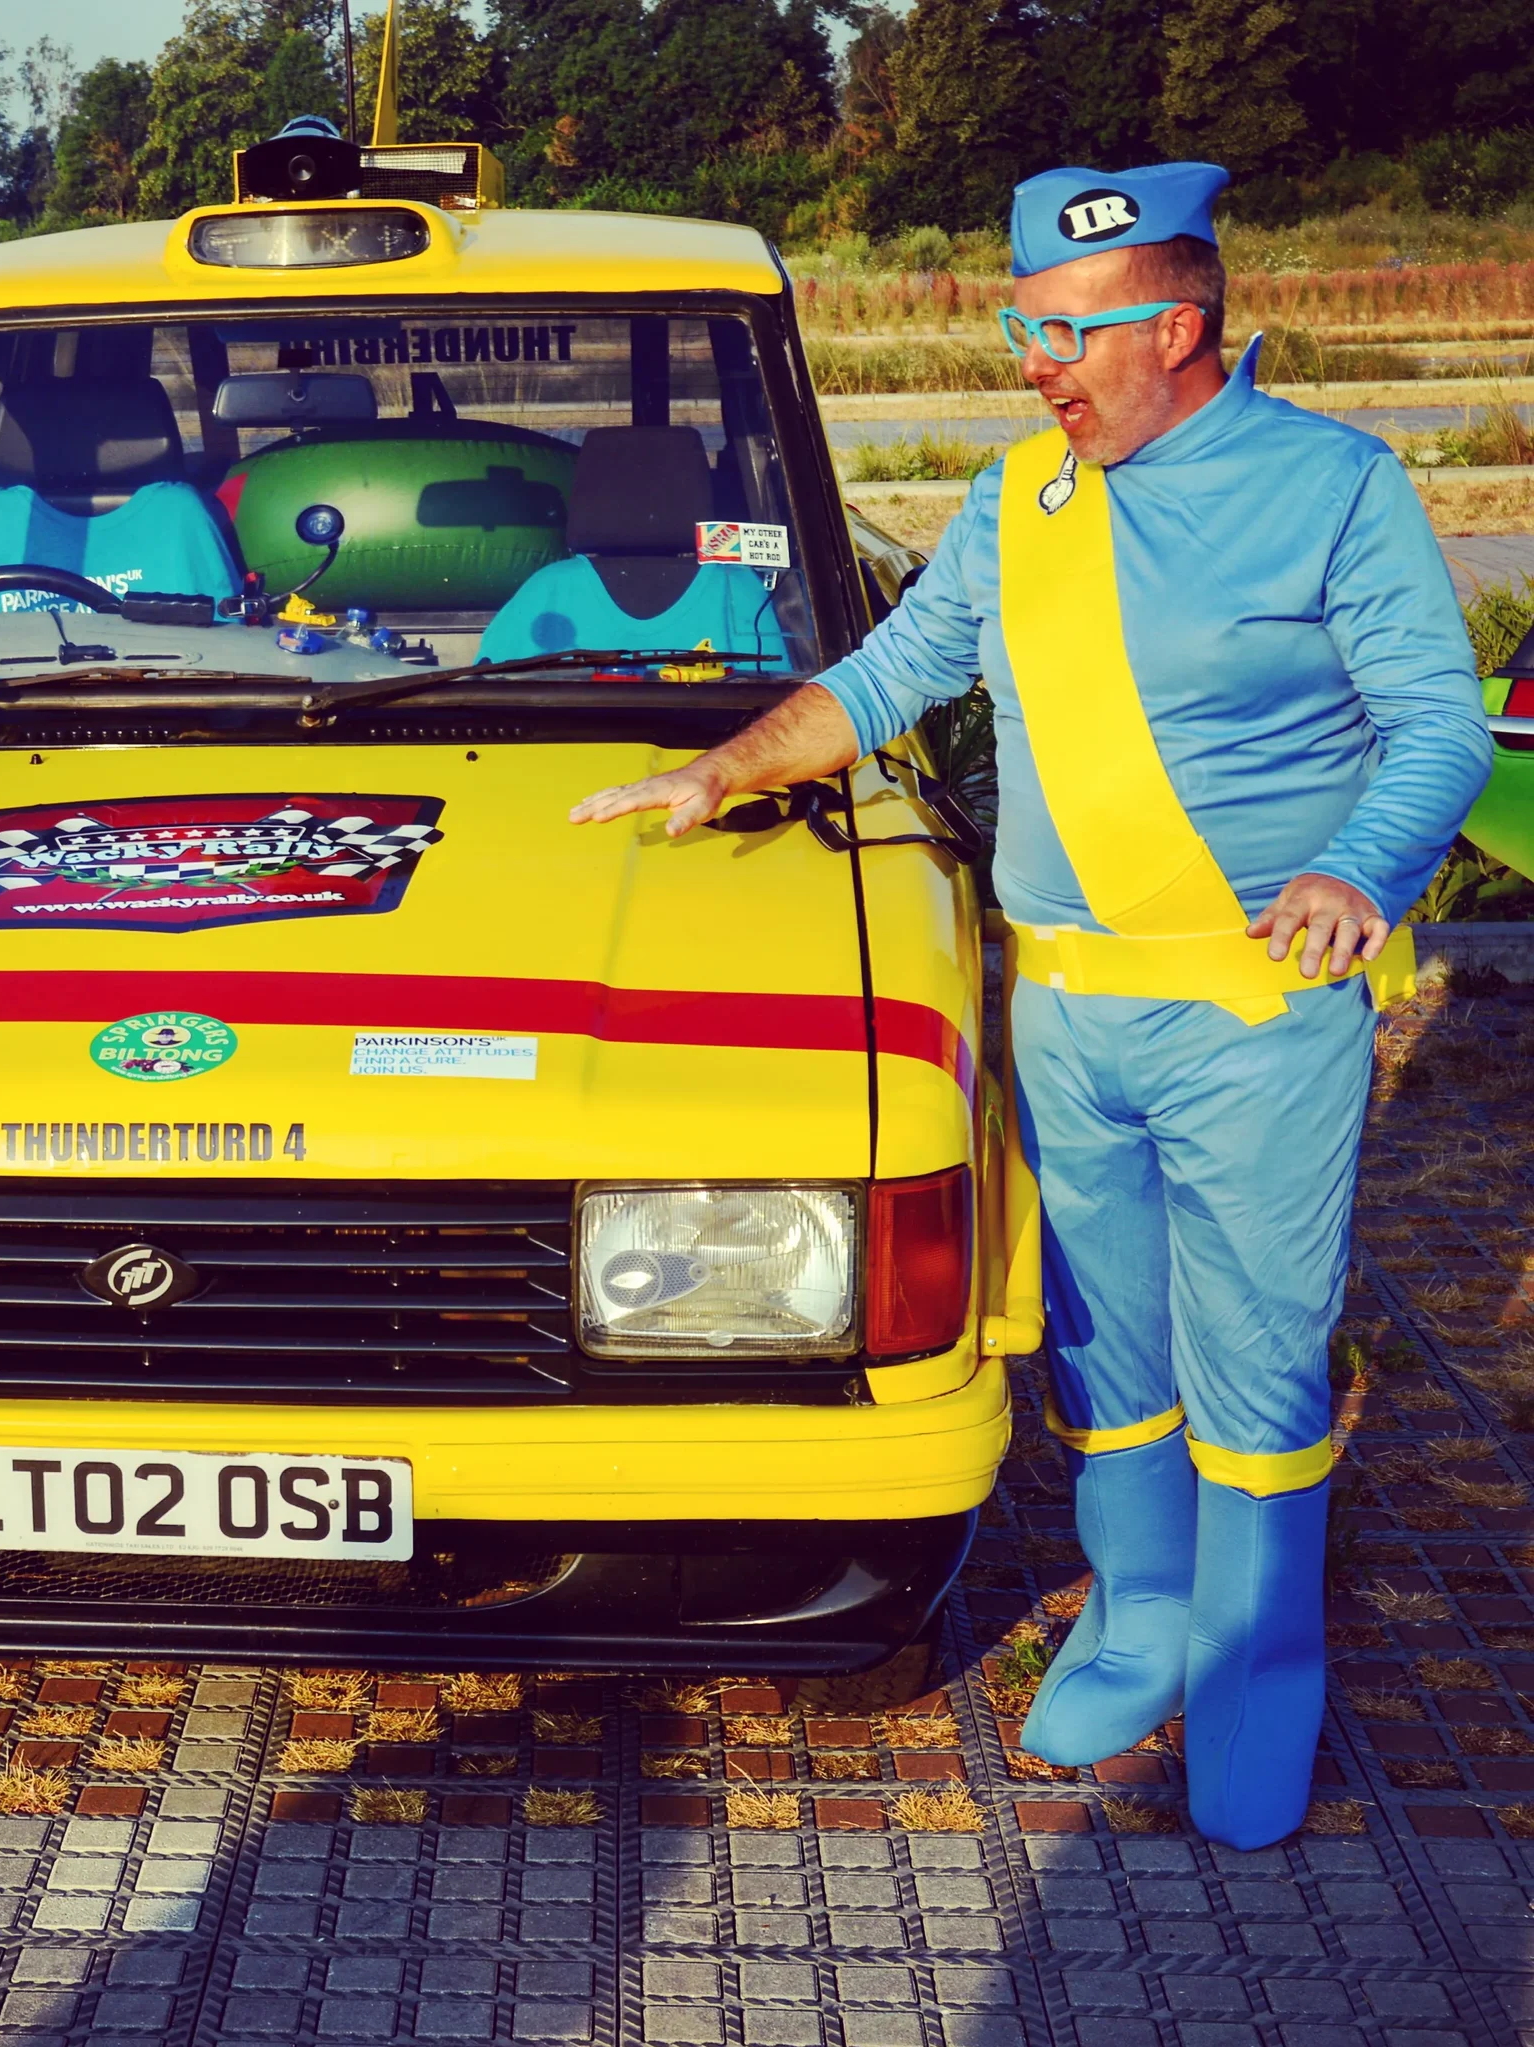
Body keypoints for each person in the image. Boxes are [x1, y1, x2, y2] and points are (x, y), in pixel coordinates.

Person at [571, 164, 1490, 1849]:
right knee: (1105, 1342)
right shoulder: (1019, 502)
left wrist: (1362, 866)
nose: (1034, 363)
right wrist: (729, 764)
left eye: (1066, 333)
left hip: (1255, 1012)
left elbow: (1438, 721)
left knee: (1263, 1356)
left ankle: (1258, 1656)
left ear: (1180, 327)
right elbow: (893, 672)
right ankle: (1139, 1620)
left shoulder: (1336, 490)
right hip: (1065, 1014)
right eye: (1020, 328)